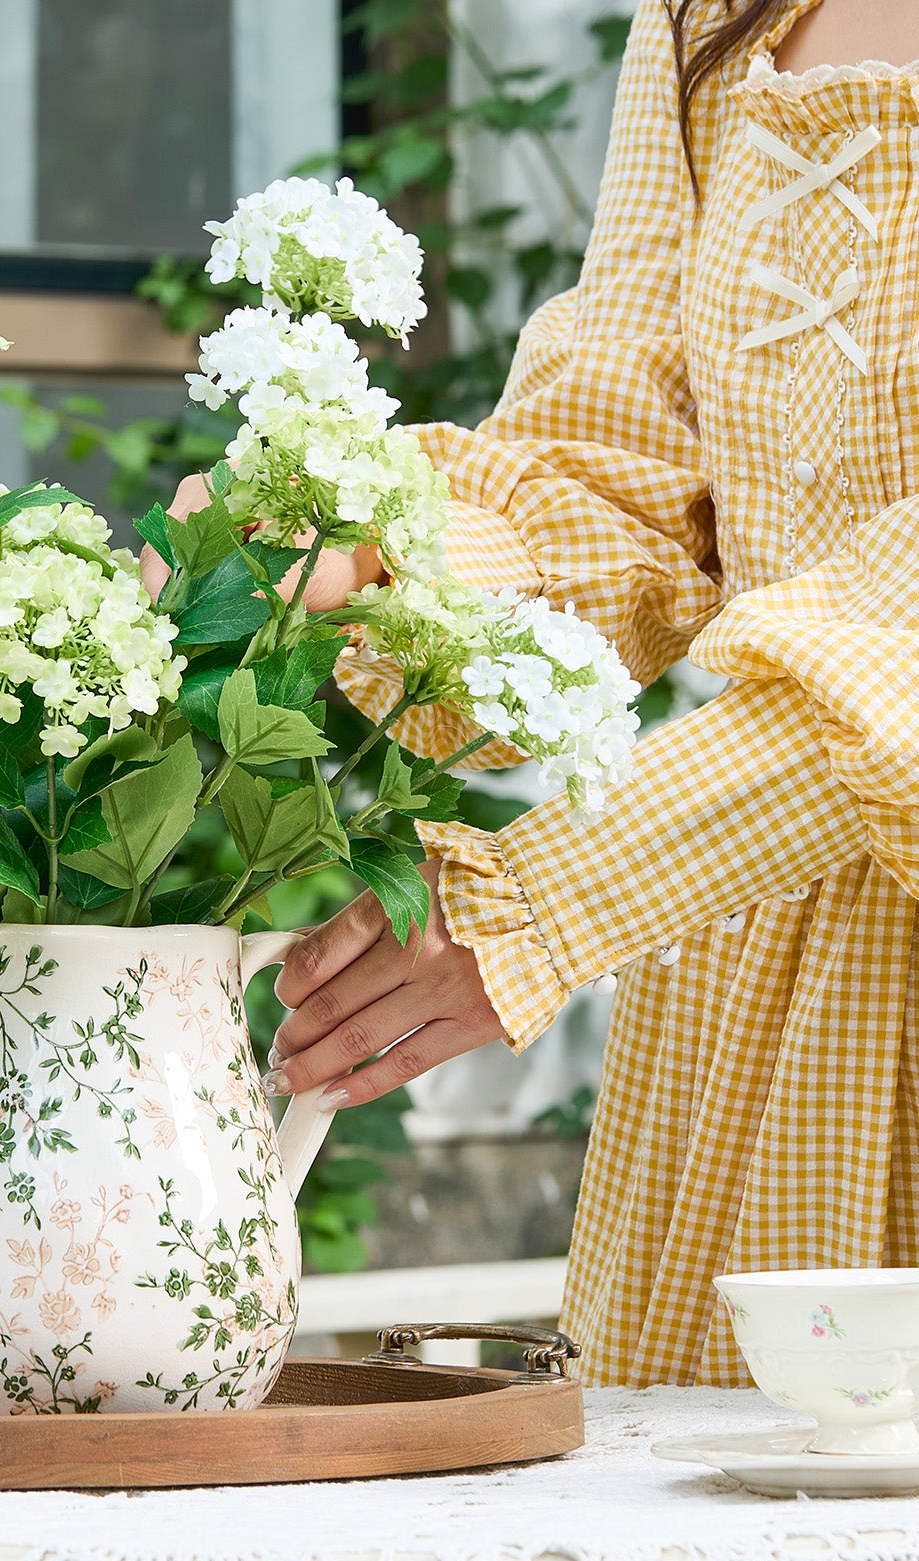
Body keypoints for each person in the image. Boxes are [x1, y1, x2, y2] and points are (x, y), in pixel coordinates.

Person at [147, 0, 919, 1385]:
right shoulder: (717, 19)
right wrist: (380, 556)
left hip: (713, 851)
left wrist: (550, 894)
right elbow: (620, 481)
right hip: (762, 1007)